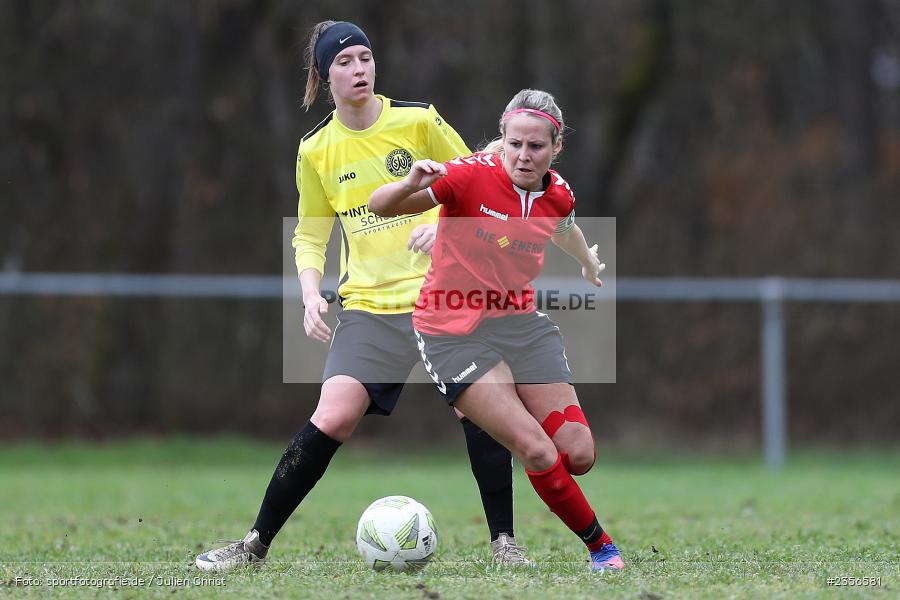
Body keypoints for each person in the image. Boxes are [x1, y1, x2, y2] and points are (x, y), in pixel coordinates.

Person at [195, 21, 530, 571]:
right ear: (324, 75)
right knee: (332, 416)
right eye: (345, 62)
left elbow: (481, 184)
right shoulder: (316, 149)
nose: (359, 70)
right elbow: (310, 234)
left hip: (443, 299)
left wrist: (446, 229)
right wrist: (310, 294)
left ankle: (505, 543)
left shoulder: (417, 120)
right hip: (370, 310)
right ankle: (253, 545)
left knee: (482, 413)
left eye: (365, 58)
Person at [368, 89, 625, 571]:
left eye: (536, 146)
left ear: (556, 147)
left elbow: (564, 227)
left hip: (520, 325)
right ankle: (602, 549)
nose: (524, 156)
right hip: (451, 331)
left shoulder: (558, 193)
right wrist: (407, 184)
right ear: (502, 140)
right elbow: (379, 206)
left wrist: (588, 261)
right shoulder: (467, 176)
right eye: (515, 144)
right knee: (536, 449)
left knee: (578, 454)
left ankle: (506, 424)